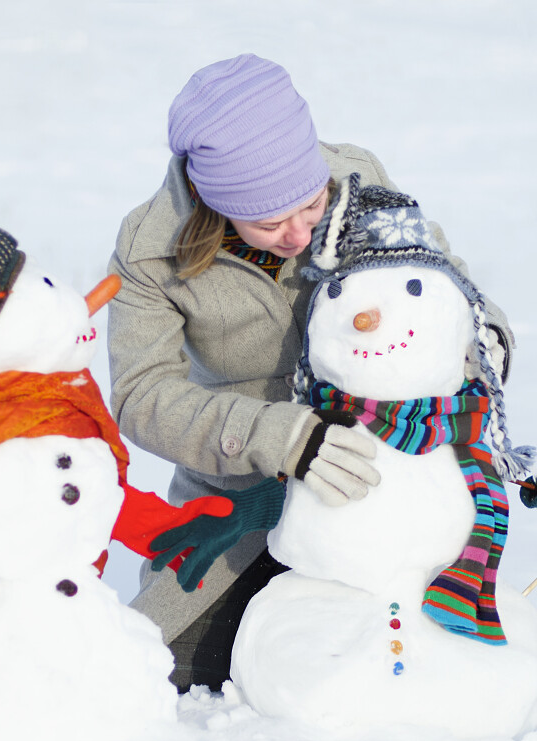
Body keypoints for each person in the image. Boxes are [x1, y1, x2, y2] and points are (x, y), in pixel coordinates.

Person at [106, 54, 516, 692]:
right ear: (214, 205)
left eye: (311, 205)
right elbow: (142, 396)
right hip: (243, 496)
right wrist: (279, 437)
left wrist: (479, 350)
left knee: (418, 659)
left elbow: (445, 288)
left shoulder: (356, 177)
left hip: (382, 480)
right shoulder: (149, 250)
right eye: (269, 223)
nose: (298, 233)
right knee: (169, 671)